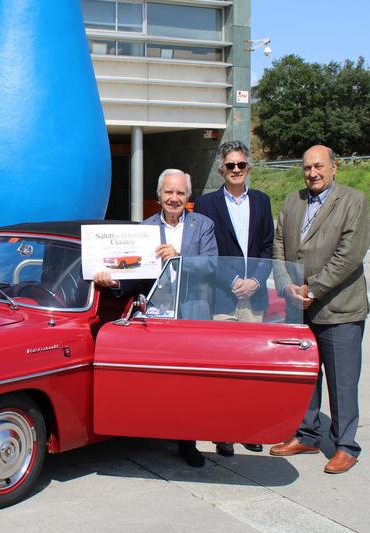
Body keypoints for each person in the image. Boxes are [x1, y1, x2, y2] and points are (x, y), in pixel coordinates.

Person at [94, 168, 217, 468]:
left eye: (180, 193)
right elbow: (135, 275)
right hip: (158, 315)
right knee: (162, 378)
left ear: (188, 197)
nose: (174, 198)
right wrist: (113, 282)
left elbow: (213, 265)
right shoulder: (144, 229)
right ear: (159, 195)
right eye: (169, 192)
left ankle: (188, 442)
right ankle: (157, 432)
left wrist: (179, 258)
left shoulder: (204, 226)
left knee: (192, 382)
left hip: (193, 314)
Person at [270, 145, 370, 474]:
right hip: (298, 308)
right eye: (307, 167)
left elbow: (349, 254)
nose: (312, 173)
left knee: (342, 381)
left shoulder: (353, 201)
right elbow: (280, 245)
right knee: (304, 378)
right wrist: (286, 284)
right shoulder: (293, 200)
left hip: (339, 309)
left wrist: (313, 289)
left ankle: (345, 445)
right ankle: (307, 435)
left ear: (333, 167)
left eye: (319, 166)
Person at [193, 140, 273, 457]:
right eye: (230, 166)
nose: (236, 170)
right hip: (222, 299)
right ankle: (223, 432)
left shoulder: (263, 202)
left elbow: (268, 248)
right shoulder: (206, 204)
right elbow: (204, 250)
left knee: (252, 370)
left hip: (254, 299)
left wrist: (255, 280)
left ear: (248, 167)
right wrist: (233, 280)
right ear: (221, 170)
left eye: (241, 164)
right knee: (223, 370)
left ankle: (249, 429)